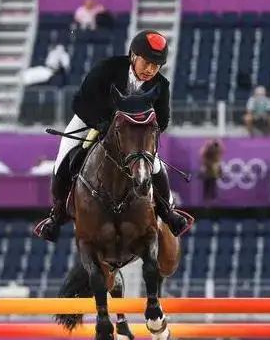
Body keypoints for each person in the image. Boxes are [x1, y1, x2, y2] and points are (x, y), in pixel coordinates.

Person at [33, 30, 192, 242]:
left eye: (156, 66)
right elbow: (81, 102)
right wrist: (102, 123)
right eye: (146, 63)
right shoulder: (107, 69)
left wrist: (141, 132)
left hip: (133, 133)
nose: (150, 70)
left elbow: (162, 121)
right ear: (133, 55)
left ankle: (168, 212)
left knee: (155, 165)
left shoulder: (161, 85)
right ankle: (57, 213)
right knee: (65, 153)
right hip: (91, 119)